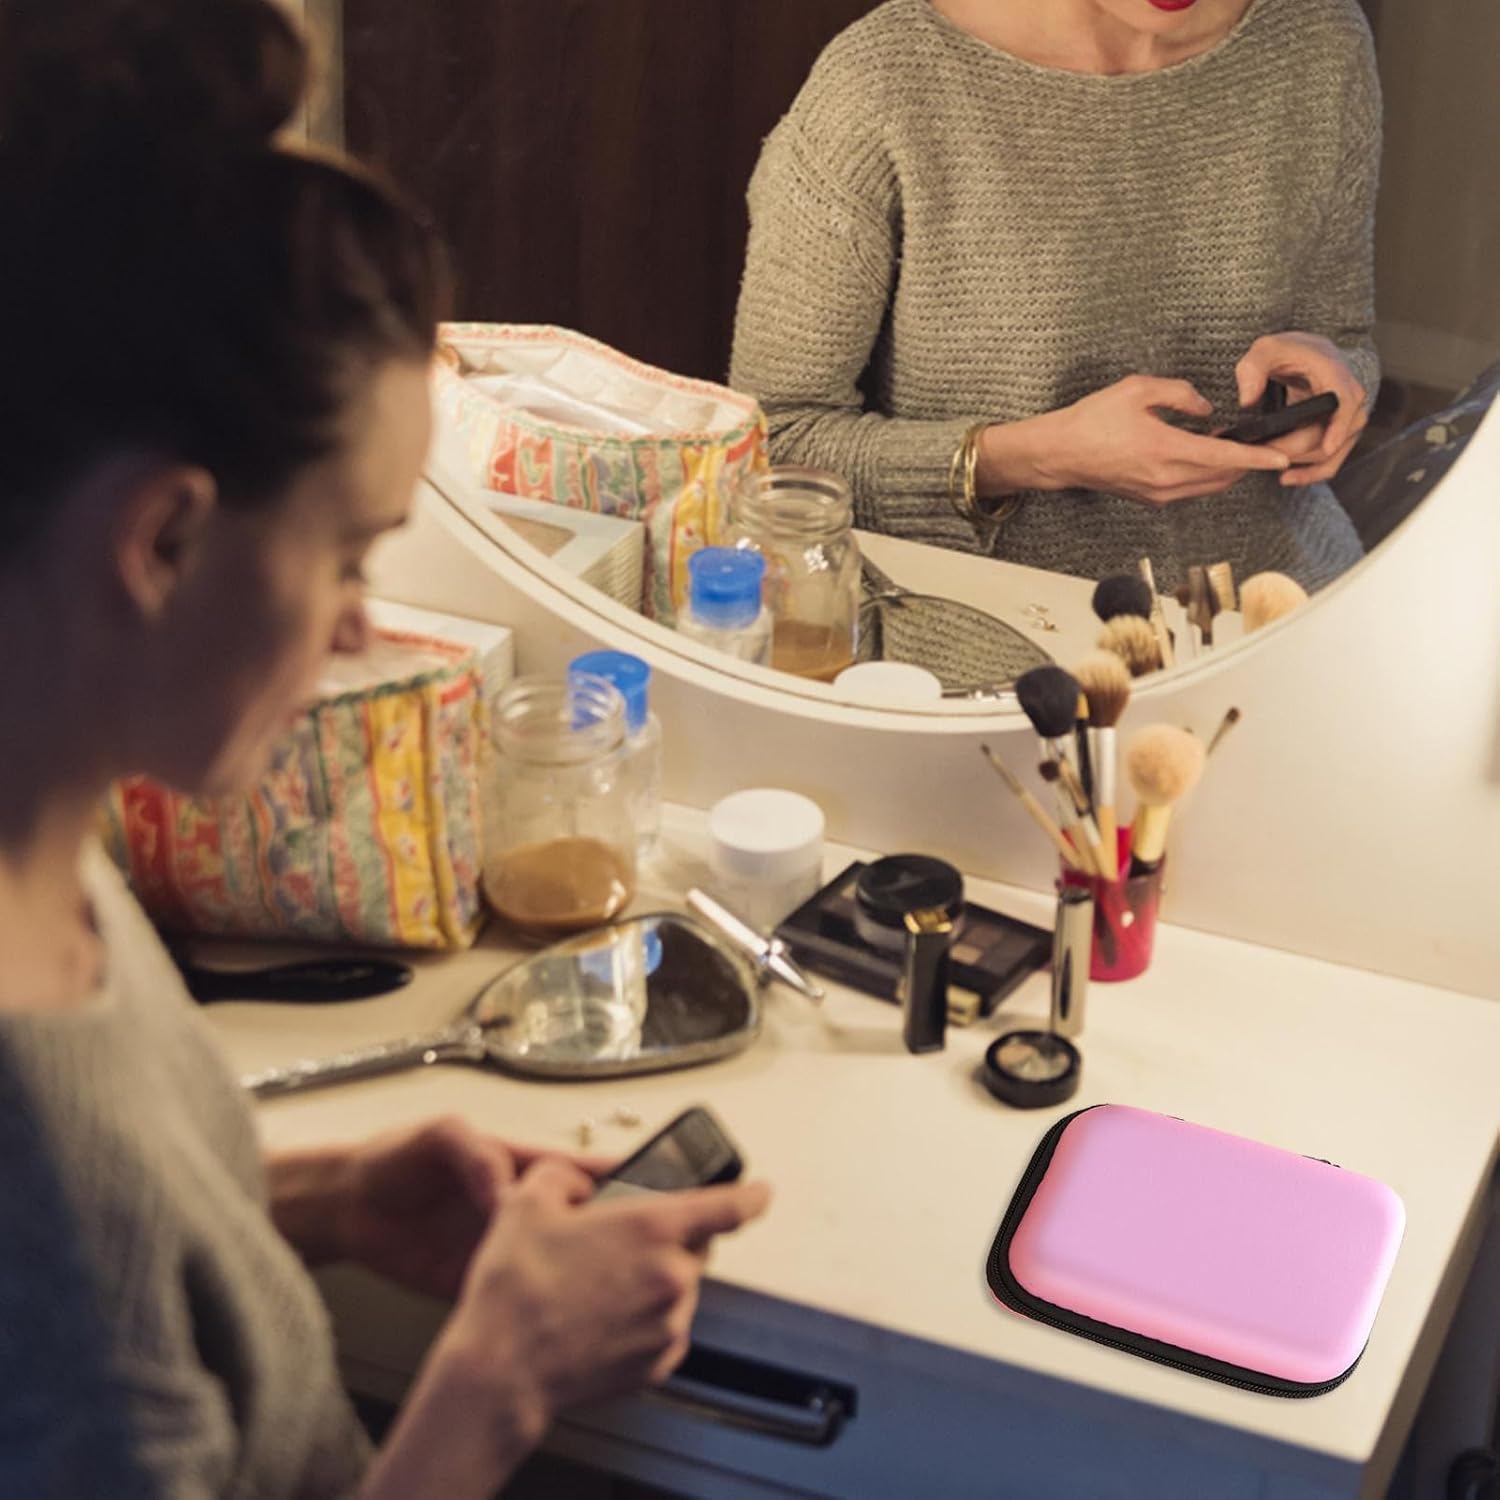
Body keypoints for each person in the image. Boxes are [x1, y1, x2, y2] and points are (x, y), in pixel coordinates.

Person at [0, 2, 769, 1497]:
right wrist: (498, 1380)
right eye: (349, 554)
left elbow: (140, 1255)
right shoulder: (32, 1176)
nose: (361, 629)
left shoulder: (48, 849)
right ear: (161, 543)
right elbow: (81, 1271)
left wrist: (324, 1197)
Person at [730, 0, 1380, 592]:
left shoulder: (1319, 39)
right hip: (991, 627)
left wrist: (1338, 385)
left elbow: (1345, 337)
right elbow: (775, 444)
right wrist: (1031, 458)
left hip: (1282, 603)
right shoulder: (883, 83)